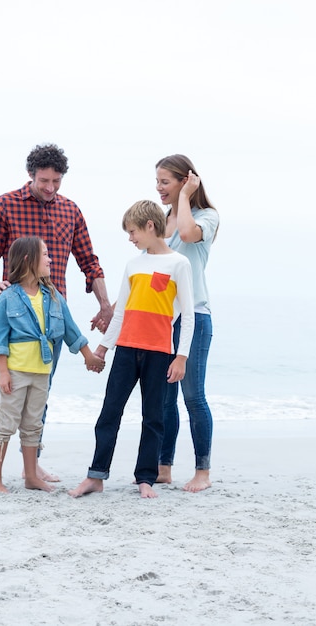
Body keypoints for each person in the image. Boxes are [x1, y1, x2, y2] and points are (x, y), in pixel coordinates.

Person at [0, 143, 113, 490]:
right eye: (45, 180)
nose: (51, 187)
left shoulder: (70, 210)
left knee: (39, 394)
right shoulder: (6, 204)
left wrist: (104, 304)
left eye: (57, 181)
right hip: (16, 318)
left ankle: (32, 466)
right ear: (31, 175)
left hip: (52, 321)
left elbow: (90, 261)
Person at [68, 200, 194, 499]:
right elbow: (121, 312)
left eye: (133, 231)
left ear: (150, 226)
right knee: (109, 413)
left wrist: (181, 356)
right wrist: (102, 349)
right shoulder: (133, 265)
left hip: (159, 352)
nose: (130, 238)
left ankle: (145, 479)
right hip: (126, 350)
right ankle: (96, 476)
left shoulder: (178, 263)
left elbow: (187, 315)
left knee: (153, 418)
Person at [0, 237, 104, 493]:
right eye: (45, 254)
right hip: (16, 372)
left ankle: (31, 476)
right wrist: (3, 373)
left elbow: (71, 330)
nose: (51, 259)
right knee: (6, 422)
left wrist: (88, 356)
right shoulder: (7, 298)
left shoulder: (53, 296)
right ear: (29, 259)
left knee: (33, 424)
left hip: (42, 372)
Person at [155, 154, 219, 492]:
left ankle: (202, 472)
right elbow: (152, 265)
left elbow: (187, 233)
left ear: (185, 181)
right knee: (165, 399)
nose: (158, 188)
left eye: (165, 181)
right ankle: (164, 467)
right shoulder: (164, 219)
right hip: (164, 320)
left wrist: (183, 198)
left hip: (196, 317)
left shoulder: (206, 217)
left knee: (193, 397)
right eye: (158, 181)